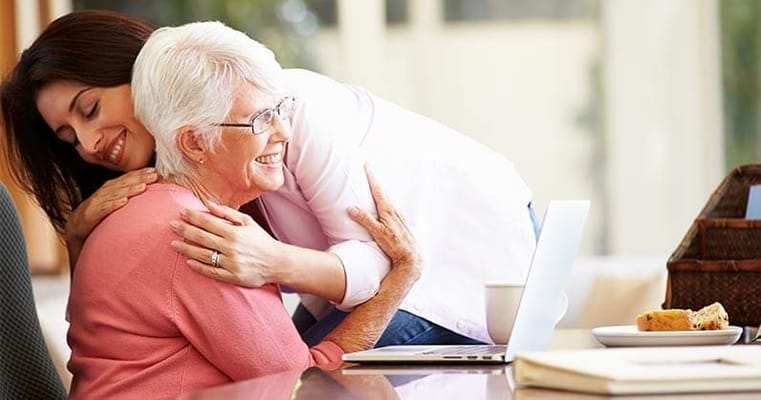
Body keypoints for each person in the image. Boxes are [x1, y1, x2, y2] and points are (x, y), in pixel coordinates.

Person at [1, 11, 537, 347]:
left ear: (141, 71)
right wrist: (76, 236)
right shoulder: (168, 191)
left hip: (463, 256)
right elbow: (97, 329)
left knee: (317, 376)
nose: (90, 144)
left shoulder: (277, 112)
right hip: (374, 281)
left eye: (90, 109)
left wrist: (271, 262)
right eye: (70, 138)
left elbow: (375, 262)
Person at [64, 20, 422, 396]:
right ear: (196, 143)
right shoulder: (197, 232)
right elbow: (305, 386)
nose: (283, 132)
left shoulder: (156, 207)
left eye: (281, 110)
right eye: (260, 118)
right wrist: (401, 278)